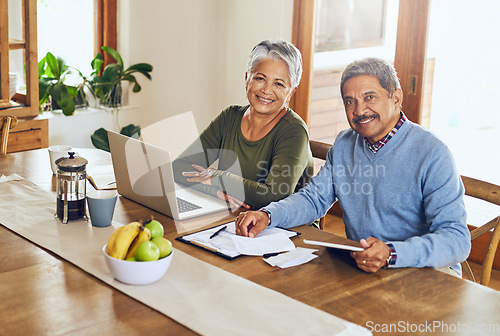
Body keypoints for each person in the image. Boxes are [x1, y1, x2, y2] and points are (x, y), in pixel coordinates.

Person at [235, 57, 471, 276]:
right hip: (365, 268)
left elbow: (457, 240)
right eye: (350, 101)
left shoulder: (432, 153)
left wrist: (392, 253)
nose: (359, 110)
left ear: (396, 98)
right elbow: (313, 199)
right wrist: (268, 214)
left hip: (426, 274)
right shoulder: (345, 143)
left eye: (370, 97)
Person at [172, 40, 313, 210]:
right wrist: (214, 190)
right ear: (247, 79)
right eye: (260, 78)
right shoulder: (229, 117)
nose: (266, 90)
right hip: (236, 215)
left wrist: (217, 177)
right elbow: (178, 167)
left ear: (291, 91)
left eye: (278, 84)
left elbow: (273, 196)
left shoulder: (294, 131)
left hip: (287, 227)